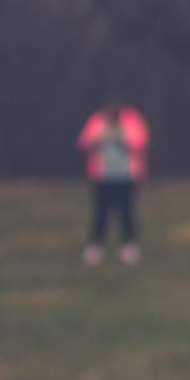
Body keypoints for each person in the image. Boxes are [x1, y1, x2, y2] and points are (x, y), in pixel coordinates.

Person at [77, 99, 149, 265]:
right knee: (100, 213)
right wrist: (98, 138)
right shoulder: (97, 120)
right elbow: (83, 143)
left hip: (126, 176)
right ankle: (95, 247)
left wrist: (120, 138)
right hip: (102, 176)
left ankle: (129, 247)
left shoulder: (132, 120)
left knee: (126, 212)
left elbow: (140, 144)